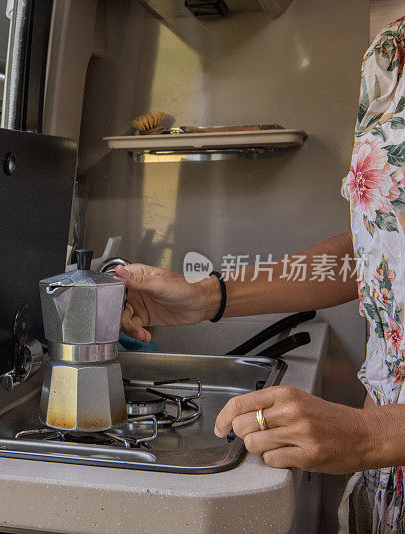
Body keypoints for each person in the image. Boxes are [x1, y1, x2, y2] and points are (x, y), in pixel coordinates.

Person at [114, 17, 405, 534]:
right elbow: (382, 249)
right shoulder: (387, 40)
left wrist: (373, 434)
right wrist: (206, 297)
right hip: (385, 485)